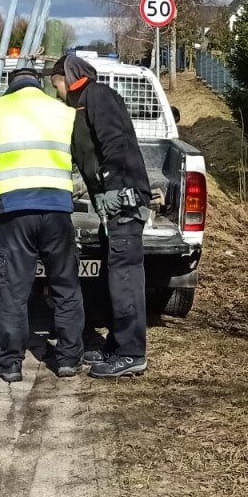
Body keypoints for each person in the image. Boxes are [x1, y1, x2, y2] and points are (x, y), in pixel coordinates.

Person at [0, 66, 84, 382]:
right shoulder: (63, 111)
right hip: (57, 210)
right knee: (65, 285)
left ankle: (11, 364)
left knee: (14, 290)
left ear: (11, 86)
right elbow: (81, 155)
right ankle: (68, 359)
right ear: (40, 85)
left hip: (13, 211)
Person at [50, 54, 151, 378]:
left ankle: (132, 353)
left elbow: (115, 146)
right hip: (112, 202)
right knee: (115, 273)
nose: (57, 93)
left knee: (125, 277)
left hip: (123, 201)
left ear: (69, 78)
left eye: (57, 85)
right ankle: (117, 344)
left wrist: (112, 189)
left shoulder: (98, 96)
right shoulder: (80, 106)